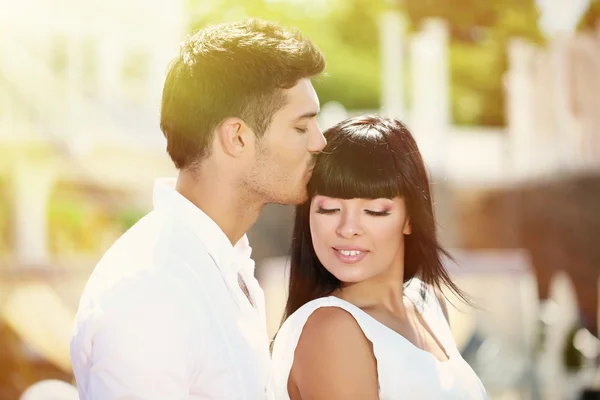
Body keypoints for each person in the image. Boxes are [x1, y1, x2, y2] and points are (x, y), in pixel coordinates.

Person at [70, 18, 326, 399]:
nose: (319, 142)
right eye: (301, 127)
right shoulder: (153, 290)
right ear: (237, 137)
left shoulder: (222, 260)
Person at [268, 115, 488, 399]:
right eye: (329, 209)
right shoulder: (330, 330)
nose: (347, 229)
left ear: (410, 218)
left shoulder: (428, 304)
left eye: (374, 211)